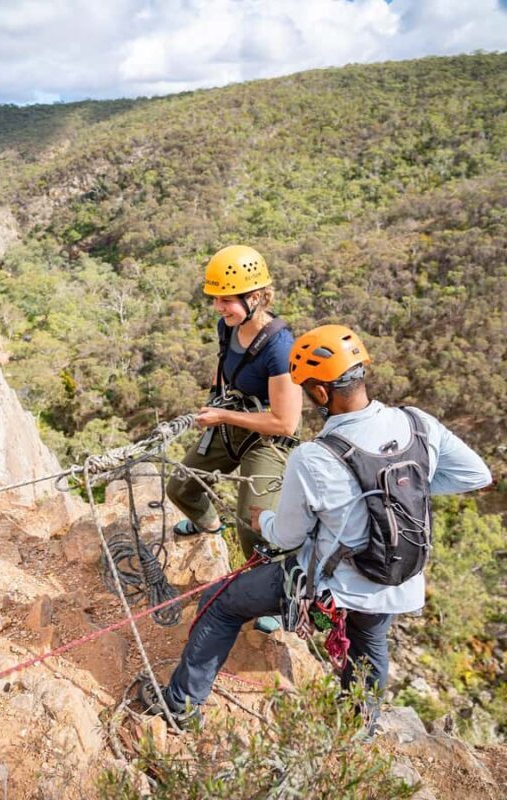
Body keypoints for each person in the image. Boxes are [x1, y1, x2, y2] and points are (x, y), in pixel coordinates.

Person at [143, 324, 492, 729]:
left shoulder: (314, 457)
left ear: (322, 393)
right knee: (370, 643)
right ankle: (355, 733)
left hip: (333, 584)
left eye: (308, 389)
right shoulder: (417, 424)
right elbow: (475, 475)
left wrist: (263, 519)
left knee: (222, 604)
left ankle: (180, 706)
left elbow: (286, 537)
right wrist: (405, 487)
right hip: (396, 581)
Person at [167, 244, 302, 563]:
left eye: (226, 300)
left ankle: (272, 597)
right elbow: (224, 361)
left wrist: (222, 415)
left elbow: (285, 423)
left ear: (254, 297)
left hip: (268, 440)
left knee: (253, 527)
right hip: (230, 422)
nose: (218, 307)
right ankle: (210, 527)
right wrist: (216, 395)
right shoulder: (228, 327)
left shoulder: (280, 348)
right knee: (181, 487)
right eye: (216, 299)